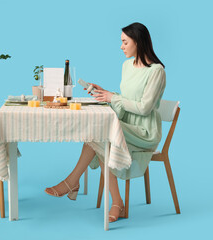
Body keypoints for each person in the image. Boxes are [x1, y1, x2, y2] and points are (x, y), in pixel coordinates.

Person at [45, 22, 166, 223]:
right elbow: (127, 99)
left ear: (138, 42)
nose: (121, 46)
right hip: (125, 124)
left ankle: (72, 182)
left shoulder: (156, 71)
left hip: (144, 132)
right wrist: (106, 93)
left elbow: (144, 107)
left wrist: (113, 98)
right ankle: (114, 201)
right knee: (100, 137)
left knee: (100, 135)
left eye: (125, 42)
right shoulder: (127, 66)